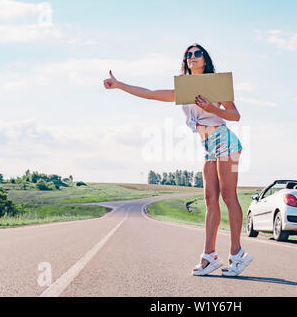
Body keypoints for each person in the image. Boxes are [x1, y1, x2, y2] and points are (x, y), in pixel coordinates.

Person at [103, 43, 252, 277]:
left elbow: (235, 115)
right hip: (209, 146)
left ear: (205, 60)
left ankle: (237, 254)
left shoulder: (216, 85)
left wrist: (213, 107)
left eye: (197, 53)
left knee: (227, 195)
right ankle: (209, 256)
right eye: (188, 54)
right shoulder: (184, 90)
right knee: (210, 199)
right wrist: (120, 85)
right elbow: (150, 94)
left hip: (226, 142)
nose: (192, 57)